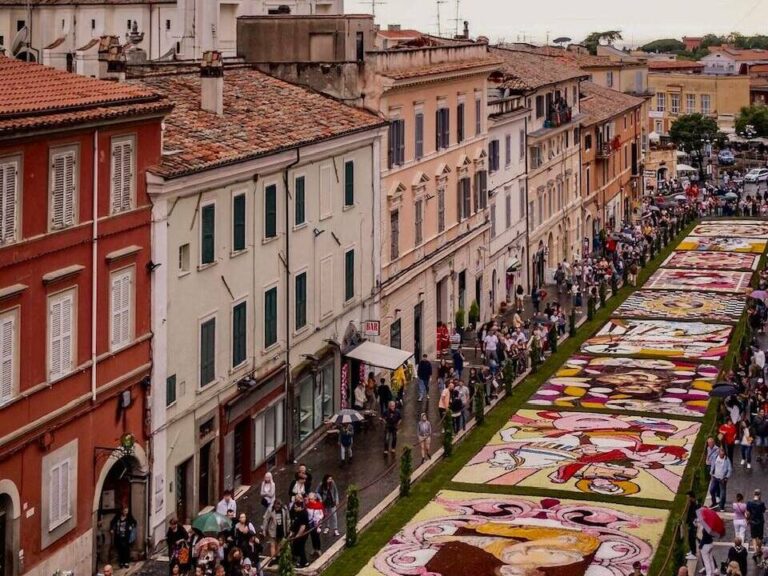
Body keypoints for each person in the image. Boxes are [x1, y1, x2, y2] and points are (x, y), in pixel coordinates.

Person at [288, 497, 310, 568]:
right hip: (297, 531)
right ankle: (297, 559)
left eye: (296, 507)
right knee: (296, 546)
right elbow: (294, 523)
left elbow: (302, 527)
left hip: (303, 533)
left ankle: (304, 562)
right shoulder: (296, 512)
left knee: (300, 546)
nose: (294, 508)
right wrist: (291, 534)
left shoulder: (303, 513)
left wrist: (297, 536)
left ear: (300, 507)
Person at [709, 446, 732, 510]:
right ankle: (714, 502)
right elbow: (712, 465)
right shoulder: (715, 457)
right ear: (718, 453)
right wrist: (711, 473)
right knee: (711, 490)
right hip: (715, 477)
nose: (721, 454)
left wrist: (726, 477)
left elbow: (730, 469)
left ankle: (722, 506)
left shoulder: (727, 460)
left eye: (723, 453)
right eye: (720, 453)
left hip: (722, 479)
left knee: (723, 493)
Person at [747, 489, 766, 556]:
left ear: (754, 494)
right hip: (760, 522)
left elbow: (748, 513)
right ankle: (759, 549)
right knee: (760, 537)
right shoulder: (762, 503)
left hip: (752, 521)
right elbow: (763, 511)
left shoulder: (749, 503)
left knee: (754, 537)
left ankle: (755, 551)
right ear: (760, 495)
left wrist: (747, 520)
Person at [305, 493, 324, 559]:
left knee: (317, 536)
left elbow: (322, 515)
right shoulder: (308, 506)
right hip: (310, 523)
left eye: (312, 499)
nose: (310, 500)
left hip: (317, 523)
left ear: (315, 498)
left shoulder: (319, 505)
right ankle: (314, 548)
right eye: (309, 499)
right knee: (312, 536)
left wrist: (318, 520)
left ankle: (318, 549)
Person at [685, 490, 699, 561]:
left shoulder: (694, 504)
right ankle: (692, 551)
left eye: (688, 497)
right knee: (690, 538)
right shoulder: (693, 503)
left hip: (693, 523)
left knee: (692, 538)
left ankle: (694, 553)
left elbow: (694, 515)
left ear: (691, 497)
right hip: (692, 523)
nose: (687, 499)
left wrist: (692, 522)